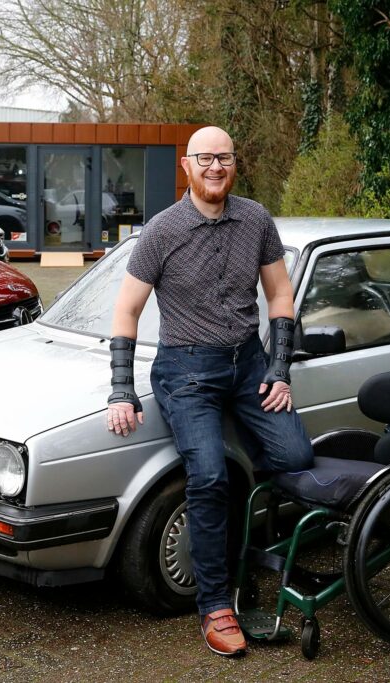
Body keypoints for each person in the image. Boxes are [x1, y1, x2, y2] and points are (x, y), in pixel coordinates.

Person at [106, 126, 313, 657]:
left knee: (294, 454)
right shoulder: (161, 230)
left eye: (224, 157)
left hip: (249, 365)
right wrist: (120, 388)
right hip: (187, 371)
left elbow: (280, 294)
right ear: (186, 165)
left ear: (234, 163)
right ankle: (216, 604)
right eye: (205, 158)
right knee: (209, 476)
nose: (215, 167)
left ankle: (255, 549)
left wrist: (280, 368)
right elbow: (127, 311)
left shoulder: (256, 220)